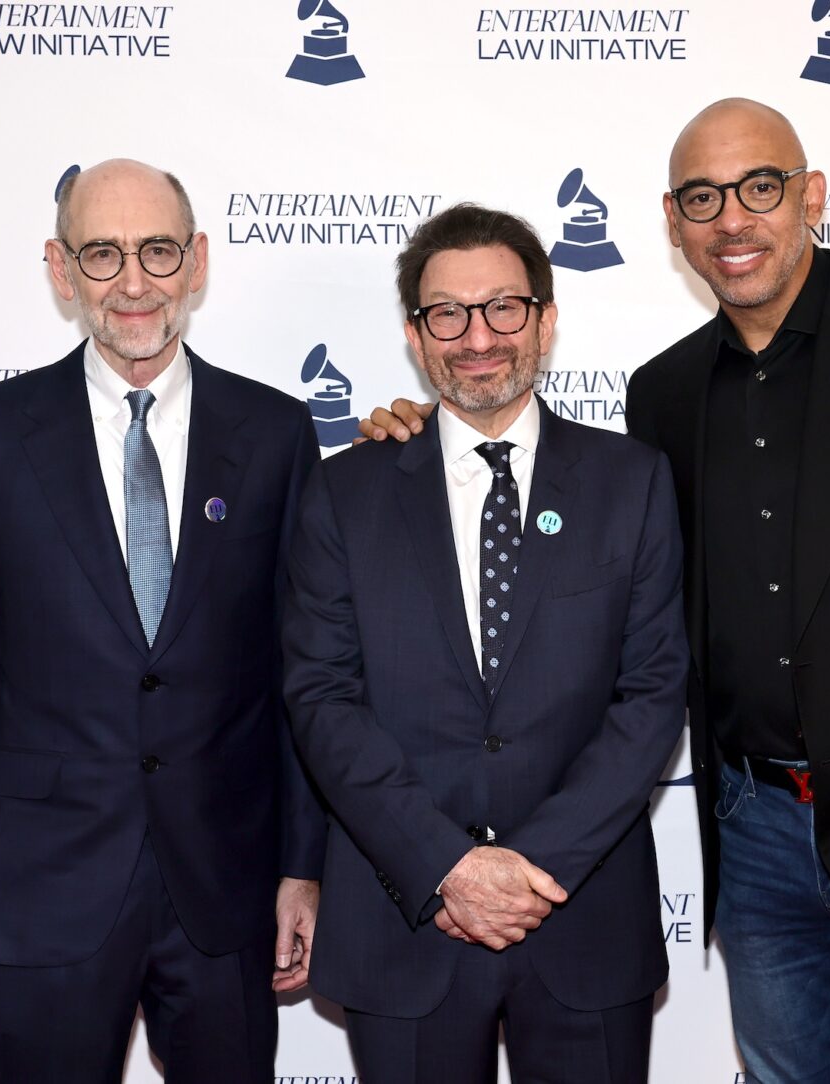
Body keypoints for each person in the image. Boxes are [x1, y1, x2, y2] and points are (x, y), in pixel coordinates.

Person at [361, 100, 830, 1084]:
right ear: (673, 221)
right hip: (757, 839)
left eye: (758, 188)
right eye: (703, 197)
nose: (731, 219)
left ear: (811, 196)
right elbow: (567, 517)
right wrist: (427, 436)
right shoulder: (663, 394)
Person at [0, 158, 325, 1084]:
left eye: (158, 250)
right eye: (102, 254)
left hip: (227, 889)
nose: (134, 282)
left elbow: (303, 678)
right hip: (39, 888)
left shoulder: (277, 434)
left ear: (197, 261)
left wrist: (303, 865)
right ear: (60, 270)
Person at [282, 203, 687, 1084]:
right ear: (415, 336)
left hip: (584, 919)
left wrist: (530, 868)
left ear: (545, 319)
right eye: (448, 314)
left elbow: (653, 694)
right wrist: (447, 869)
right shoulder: (342, 495)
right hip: (406, 919)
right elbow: (321, 698)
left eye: (504, 307)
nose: (479, 337)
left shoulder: (633, 483)